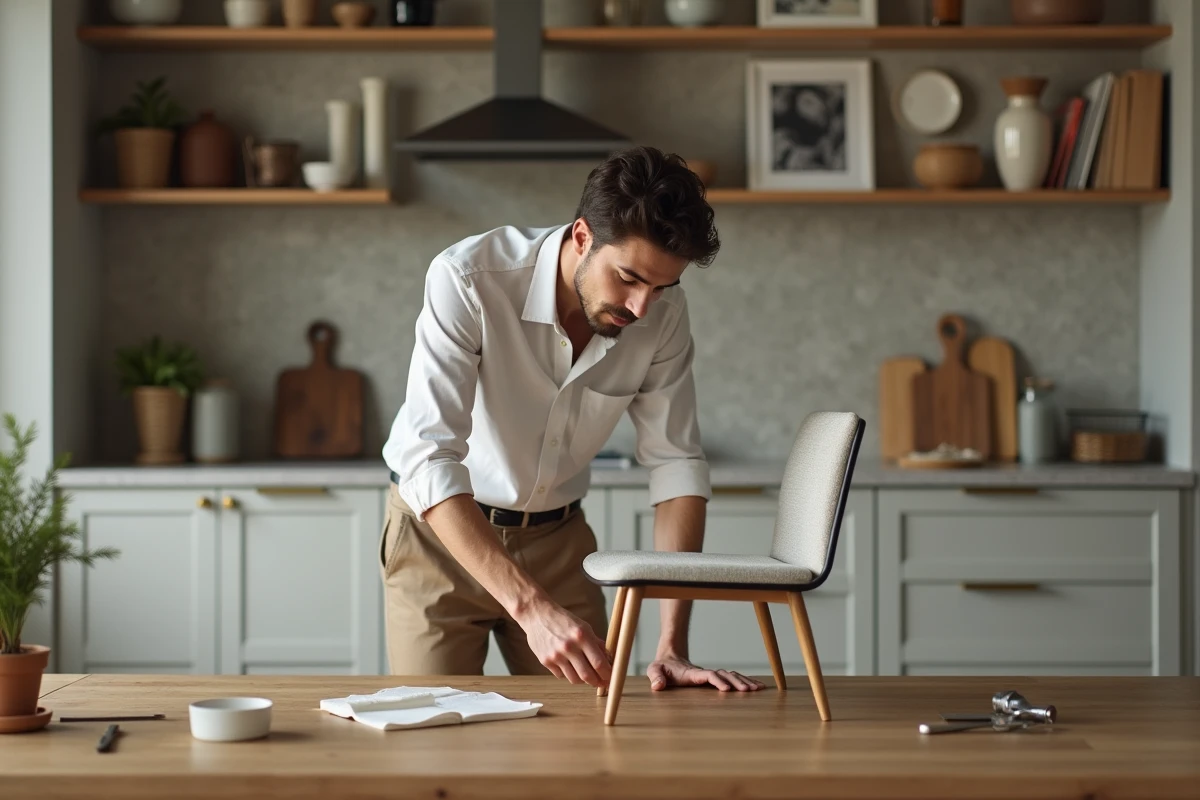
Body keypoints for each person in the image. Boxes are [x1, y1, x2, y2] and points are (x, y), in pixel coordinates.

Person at [380, 145, 764, 694]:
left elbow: (676, 465)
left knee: (585, 743)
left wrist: (671, 645)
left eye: (663, 286)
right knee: (435, 736)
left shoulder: (661, 315)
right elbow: (428, 457)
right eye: (629, 277)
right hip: (440, 539)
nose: (641, 308)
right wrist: (532, 609)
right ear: (582, 236)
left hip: (559, 542)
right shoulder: (468, 278)